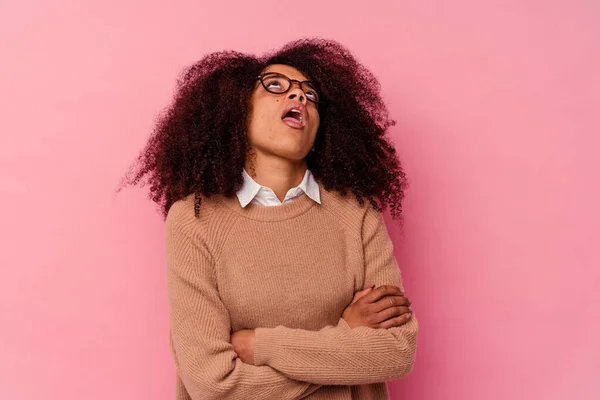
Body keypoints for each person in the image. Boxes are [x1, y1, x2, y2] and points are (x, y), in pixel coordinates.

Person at [119, 38, 418, 399]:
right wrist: (346, 338)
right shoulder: (194, 220)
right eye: (275, 86)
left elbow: (396, 352)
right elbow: (213, 386)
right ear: (235, 111)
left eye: (310, 94)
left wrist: (260, 345)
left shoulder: (357, 211)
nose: (299, 97)